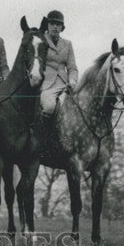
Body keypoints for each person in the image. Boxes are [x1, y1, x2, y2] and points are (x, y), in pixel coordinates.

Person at [36, 9, 78, 148]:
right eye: (52, 24)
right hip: (45, 82)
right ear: (47, 25)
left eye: (58, 25)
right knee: (49, 107)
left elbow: (72, 67)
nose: (55, 27)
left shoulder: (68, 44)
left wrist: (72, 81)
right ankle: (43, 140)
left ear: (62, 27)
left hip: (64, 83)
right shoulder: (40, 40)